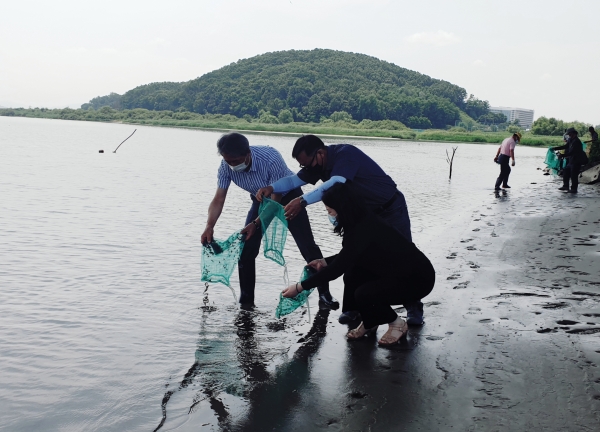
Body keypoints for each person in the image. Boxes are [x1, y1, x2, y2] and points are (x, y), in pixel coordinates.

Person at [255, 135, 425, 326]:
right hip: (363, 214)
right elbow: (294, 181)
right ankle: (355, 308)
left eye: (307, 164)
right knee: (357, 256)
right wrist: (271, 187)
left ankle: (413, 305)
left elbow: (336, 182)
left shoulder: (346, 154)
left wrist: (302, 202)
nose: (306, 169)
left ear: (320, 153)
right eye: (303, 165)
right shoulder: (316, 165)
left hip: (390, 208)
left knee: (399, 257)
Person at [281, 183, 435, 346]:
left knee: (364, 293)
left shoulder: (364, 228)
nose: (330, 215)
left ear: (344, 209)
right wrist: (324, 262)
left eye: (330, 211)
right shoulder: (360, 221)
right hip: (395, 271)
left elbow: (336, 270)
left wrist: (299, 287)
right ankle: (370, 321)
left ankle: (397, 323)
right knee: (353, 274)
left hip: (417, 279)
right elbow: (349, 255)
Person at [201, 133, 339, 309]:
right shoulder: (226, 166)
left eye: (236, 160)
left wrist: (256, 223)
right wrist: (209, 226)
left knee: (307, 246)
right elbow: (219, 199)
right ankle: (246, 300)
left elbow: (276, 199)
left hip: (288, 197)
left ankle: (324, 294)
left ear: (247, 153)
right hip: (260, 200)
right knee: (246, 247)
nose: (232, 165)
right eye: (229, 161)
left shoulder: (269, 157)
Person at [551, 127, 587, 194]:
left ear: (574, 133)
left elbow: (572, 152)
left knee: (574, 175)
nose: (569, 135)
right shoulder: (570, 140)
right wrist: (555, 148)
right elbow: (566, 146)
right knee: (565, 172)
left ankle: (574, 189)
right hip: (571, 161)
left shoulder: (577, 142)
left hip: (576, 161)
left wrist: (562, 155)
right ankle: (566, 186)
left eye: (569, 133)